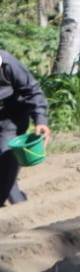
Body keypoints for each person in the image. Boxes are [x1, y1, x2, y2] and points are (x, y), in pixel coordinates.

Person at [0, 48, 50, 206]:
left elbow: (32, 90)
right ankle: (20, 203)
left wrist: (40, 120)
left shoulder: (7, 63)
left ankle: (16, 207)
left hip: (11, 119)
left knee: (6, 156)